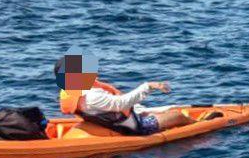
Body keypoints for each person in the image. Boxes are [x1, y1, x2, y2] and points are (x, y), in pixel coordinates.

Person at [54, 55, 199, 135]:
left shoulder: (70, 92)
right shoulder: (91, 96)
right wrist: (148, 86)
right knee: (178, 116)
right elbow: (121, 104)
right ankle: (199, 127)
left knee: (165, 110)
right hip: (132, 126)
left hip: (118, 119)